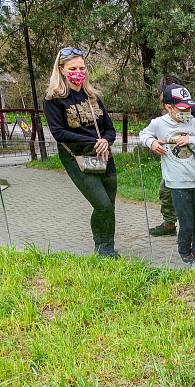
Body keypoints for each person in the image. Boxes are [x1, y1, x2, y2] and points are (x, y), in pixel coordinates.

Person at [43, 47, 118, 258]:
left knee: (109, 204)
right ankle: (101, 248)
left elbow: (110, 128)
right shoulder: (53, 100)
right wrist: (94, 141)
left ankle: (108, 247)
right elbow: (59, 132)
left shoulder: (92, 95)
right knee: (101, 204)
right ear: (62, 70)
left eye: (82, 67)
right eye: (73, 68)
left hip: (103, 154)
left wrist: (105, 140)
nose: (79, 72)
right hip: (77, 157)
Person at [139, 84, 195, 266]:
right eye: (182, 108)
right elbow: (143, 134)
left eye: (189, 107)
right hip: (177, 183)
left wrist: (192, 140)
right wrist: (151, 142)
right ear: (169, 107)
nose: (187, 111)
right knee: (187, 223)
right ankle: (184, 252)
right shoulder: (159, 123)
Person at [149, 74, 195, 237]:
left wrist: (192, 140)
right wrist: (153, 142)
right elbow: (149, 133)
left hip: (191, 167)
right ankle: (169, 223)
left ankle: (184, 227)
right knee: (165, 191)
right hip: (173, 164)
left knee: (182, 200)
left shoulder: (191, 111)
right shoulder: (164, 116)